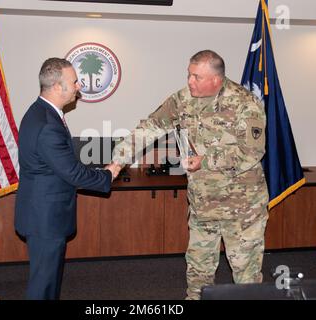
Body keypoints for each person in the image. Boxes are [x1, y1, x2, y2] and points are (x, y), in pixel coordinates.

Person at [112, 50, 268, 300]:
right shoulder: (183, 99)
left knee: (246, 278)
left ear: (216, 80)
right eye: (189, 75)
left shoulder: (245, 104)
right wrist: (118, 160)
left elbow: (252, 152)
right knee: (198, 274)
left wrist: (206, 161)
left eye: (196, 77)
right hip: (202, 205)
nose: (189, 81)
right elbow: (150, 127)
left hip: (242, 210)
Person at [15, 57, 120, 300]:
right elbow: (71, 172)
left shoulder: (41, 113)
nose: (79, 86)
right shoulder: (46, 123)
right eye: (74, 82)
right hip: (45, 219)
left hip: (41, 213)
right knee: (43, 285)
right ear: (58, 87)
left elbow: (60, 165)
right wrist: (106, 175)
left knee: (48, 281)